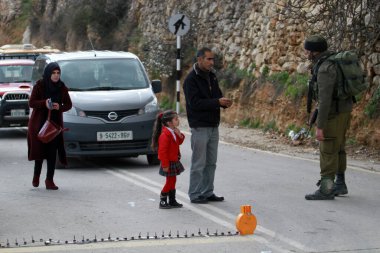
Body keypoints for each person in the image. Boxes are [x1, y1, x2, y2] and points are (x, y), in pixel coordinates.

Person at [304, 35, 353, 200]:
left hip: (332, 114)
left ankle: (326, 189)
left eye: (307, 50)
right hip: (344, 111)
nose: (306, 53)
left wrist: (320, 126)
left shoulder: (325, 68)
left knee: (328, 150)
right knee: (339, 148)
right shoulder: (334, 61)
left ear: (314, 51)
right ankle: (340, 184)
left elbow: (324, 100)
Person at [183, 47, 233, 204]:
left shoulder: (212, 76)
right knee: (199, 163)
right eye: (209, 59)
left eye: (213, 59)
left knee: (211, 163)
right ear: (199, 59)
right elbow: (195, 103)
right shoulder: (191, 80)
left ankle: (207, 192)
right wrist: (216, 102)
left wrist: (223, 103)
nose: (212, 62)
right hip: (199, 126)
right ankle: (195, 194)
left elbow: (216, 96)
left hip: (213, 125)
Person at [27, 62, 72, 190]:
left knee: (52, 153)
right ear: (48, 73)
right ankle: (36, 176)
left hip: (55, 125)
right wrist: (44, 103)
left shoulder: (62, 87)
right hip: (39, 124)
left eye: (58, 73)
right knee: (39, 153)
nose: (56, 76)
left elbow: (68, 104)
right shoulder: (40, 85)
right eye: (53, 73)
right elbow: (32, 103)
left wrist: (60, 107)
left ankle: (49, 180)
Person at [151, 110, 185, 209]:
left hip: (174, 160)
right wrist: (165, 165)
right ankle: (162, 200)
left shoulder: (173, 131)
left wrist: (179, 135)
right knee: (170, 182)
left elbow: (179, 142)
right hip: (168, 162)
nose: (178, 120)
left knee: (173, 181)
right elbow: (162, 152)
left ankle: (172, 200)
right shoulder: (165, 135)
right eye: (176, 119)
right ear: (169, 123)